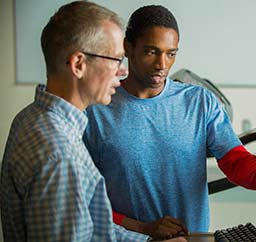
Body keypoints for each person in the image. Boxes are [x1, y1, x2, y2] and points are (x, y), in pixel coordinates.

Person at [83, 4, 256, 240]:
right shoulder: (96, 110)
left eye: (171, 54)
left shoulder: (199, 102)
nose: (162, 65)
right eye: (151, 52)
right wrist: (143, 229)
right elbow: (83, 198)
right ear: (128, 48)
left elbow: (235, 161)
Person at [0, 2, 186, 242]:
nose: (121, 71)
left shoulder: (31, 118)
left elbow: (91, 229)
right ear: (79, 64)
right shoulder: (60, 154)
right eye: (116, 59)